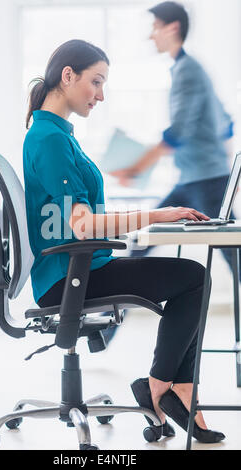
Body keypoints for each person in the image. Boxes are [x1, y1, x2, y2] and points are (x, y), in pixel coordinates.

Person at [23, 39, 224, 443]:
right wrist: (158, 214)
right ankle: (164, 387)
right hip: (72, 276)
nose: (100, 94)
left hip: (80, 268)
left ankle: (169, 388)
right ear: (68, 76)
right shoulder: (49, 139)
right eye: (95, 82)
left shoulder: (58, 134)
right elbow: (83, 226)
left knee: (193, 278)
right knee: (195, 279)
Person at [107, 1, 237, 345]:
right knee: (141, 240)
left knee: (234, 261)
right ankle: (107, 327)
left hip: (205, 181)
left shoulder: (187, 71)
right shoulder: (191, 69)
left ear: (173, 28)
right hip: (197, 177)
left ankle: (106, 328)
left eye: (155, 28)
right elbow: (225, 122)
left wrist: (135, 168)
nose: (151, 37)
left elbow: (178, 132)